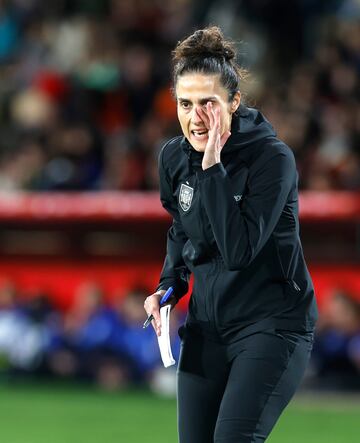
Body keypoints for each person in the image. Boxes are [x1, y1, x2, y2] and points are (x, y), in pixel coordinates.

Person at [143, 26, 318, 443]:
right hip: (207, 328)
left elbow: (238, 250)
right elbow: (181, 229)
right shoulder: (172, 157)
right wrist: (169, 285)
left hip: (272, 326)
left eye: (209, 103)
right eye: (185, 104)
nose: (196, 116)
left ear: (234, 103)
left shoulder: (272, 160)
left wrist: (213, 167)